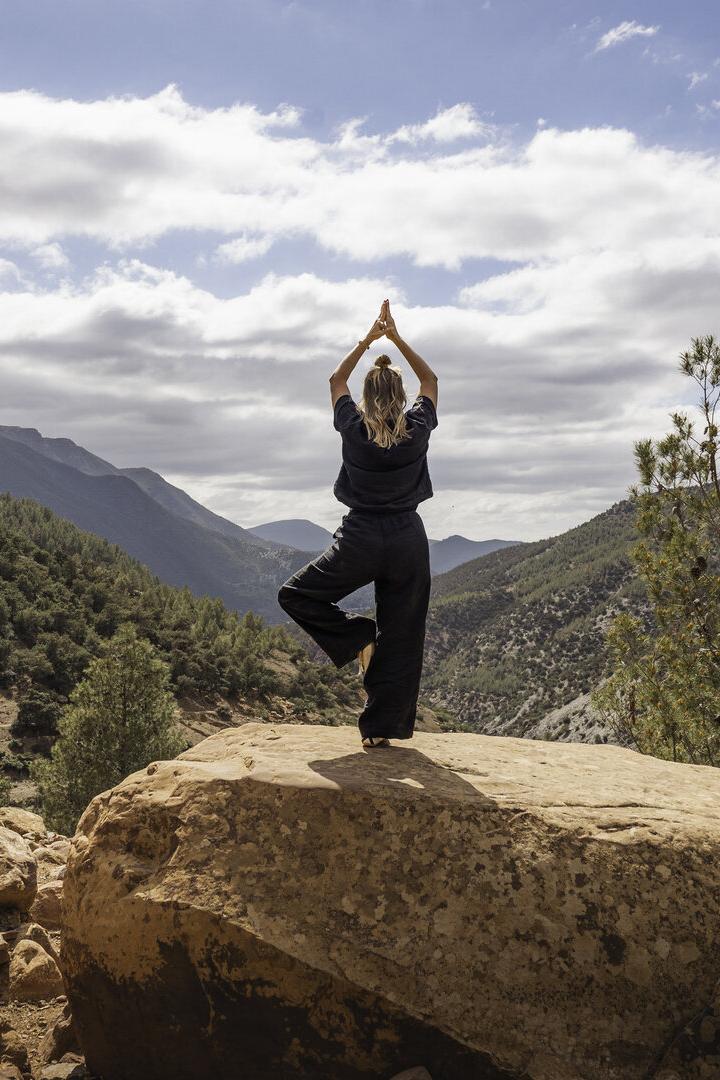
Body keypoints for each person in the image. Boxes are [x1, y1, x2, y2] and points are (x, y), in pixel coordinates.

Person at [277, 299, 439, 749]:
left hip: (361, 535)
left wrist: (368, 339)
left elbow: (335, 379)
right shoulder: (418, 426)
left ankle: (358, 635)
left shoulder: (352, 426)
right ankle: (381, 730)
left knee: (296, 595)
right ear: (401, 396)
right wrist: (396, 339)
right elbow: (431, 380)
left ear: (366, 398)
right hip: (408, 537)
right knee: (404, 634)